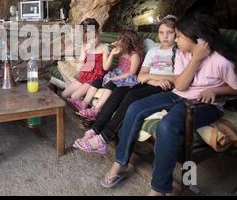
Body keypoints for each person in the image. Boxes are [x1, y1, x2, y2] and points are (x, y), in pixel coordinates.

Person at [101, 13, 237, 195]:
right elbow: (180, 84)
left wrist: (216, 90)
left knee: (167, 125)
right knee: (135, 107)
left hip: (203, 104)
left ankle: (159, 189)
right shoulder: (182, 54)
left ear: (199, 40)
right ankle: (119, 163)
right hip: (178, 94)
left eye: (179, 36)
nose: (176, 40)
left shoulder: (222, 62)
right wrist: (195, 58)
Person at [73, 15, 178, 154]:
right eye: (161, 32)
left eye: (170, 32)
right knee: (120, 90)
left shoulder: (179, 52)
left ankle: (103, 138)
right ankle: (95, 129)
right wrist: (152, 78)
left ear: (177, 33)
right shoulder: (153, 51)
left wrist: (151, 79)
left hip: (162, 88)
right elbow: (141, 75)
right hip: (149, 82)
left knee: (131, 95)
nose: (165, 36)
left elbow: (179, 78)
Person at [75, 30, 143, 120]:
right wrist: (113, 53)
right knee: (97, 81)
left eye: (121, 41)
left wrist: (115, 78)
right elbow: (118, 67)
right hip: (117, 74)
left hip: (127, 78)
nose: (118, 42)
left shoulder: (134, 55)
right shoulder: (123, 53)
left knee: (111, 83)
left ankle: (95, 110)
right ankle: (84, 103)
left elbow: (132, 72)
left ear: (128, 42)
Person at [61, 18, 108, 102]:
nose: (92, 41)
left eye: (94, 37)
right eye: (88, 39)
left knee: (74, 96)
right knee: (63, 95)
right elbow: (80, 68)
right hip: (85, 75)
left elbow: (105, 67)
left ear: (98, 33)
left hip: (95, 78)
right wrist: (85, 53)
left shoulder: (104, 47)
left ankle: (81, 109)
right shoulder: (85, 46)